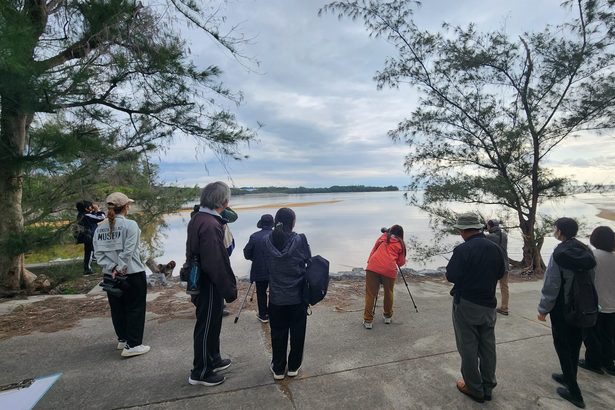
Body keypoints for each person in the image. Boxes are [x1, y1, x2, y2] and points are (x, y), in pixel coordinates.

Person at [446, 212, 506, 403]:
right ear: (479, 227)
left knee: (468, 347)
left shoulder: (463, 250)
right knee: (488, 347)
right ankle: (488, 386)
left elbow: (451, 276)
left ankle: (474, 388)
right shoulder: (494, 248)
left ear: (462, 230)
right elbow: (500, 272)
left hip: (466, 304)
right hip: (489, 303)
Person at [538, 217, 596, 409]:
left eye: (555, 229)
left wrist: (543, 309)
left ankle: (574, 393)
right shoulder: (586, 251)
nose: (554, 231)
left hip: (563, 309)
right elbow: (591, 278)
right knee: (574, 344)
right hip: (584, 307)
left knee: (562, 346)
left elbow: (552, 284)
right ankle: (568, 375)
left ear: (560, 231)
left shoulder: (559, 253)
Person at [185, 182, 237, 387]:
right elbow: (215, 261)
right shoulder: (209, 224)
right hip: (208, 281)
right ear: (223, 201)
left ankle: (213, 358)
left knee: (213, 321)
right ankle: (201, 371)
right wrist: (229, 288)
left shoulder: (200, 218)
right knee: (206, 324)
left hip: (202, 278)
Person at [93, 192, 149, 357]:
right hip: (131, 273)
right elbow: (129, 251)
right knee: (135, 308)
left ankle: (123, 339)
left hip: (109, 275)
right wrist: (120, 267)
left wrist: (112, 268)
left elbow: (98, 255)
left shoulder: (99, 228)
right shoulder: (131, 225)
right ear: (125, 207)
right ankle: (133, 345)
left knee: (117, 308)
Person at [263, 208, 311, 380]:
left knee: (277, 333)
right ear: (292, 222)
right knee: (298, 333)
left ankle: (278, 368)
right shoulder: (301, 239)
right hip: (297, 296)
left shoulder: (267, 240)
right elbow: (308, 261)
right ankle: (293, 367)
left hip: (276, 297)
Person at [580, 226, 615, 376]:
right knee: (608, 336)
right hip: (612, 304)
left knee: (591, 335)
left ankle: (593, 363)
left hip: (595, 304)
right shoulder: (613, 257)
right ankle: (609, 363)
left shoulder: (591, 257)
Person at [362, 225, 406, 329]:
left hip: (373, 267)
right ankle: (387, 316)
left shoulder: (382, 238)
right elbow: (400, 262)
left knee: (370, 294)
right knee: (388, 292)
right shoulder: (401, 244)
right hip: (389, 269)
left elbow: (373, 251)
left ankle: (368, 321)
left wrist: (370, 264)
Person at [244, 214, 274, 323]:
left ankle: (263, 315)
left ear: (261, 224)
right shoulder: (277, 235)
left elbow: (246, 253)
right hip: (275, 270)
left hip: (259, 269)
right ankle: (273, 313)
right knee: (274, 291)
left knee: (261, 292)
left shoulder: (254, 236)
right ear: (272, 224)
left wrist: (255, 258)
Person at [485, 219, 509, 315]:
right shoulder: (504, 235)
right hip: (505, 264)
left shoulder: (489, 237)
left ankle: (489, 305)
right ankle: (504, 307)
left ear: (490, 226)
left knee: (491, 286)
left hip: (494, 265)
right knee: (504, 287)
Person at [76, 200, 106, 275]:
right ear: (86, 209)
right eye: (90, 206)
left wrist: (94, 210)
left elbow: (92, 216)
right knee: (89, 252)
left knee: (89, 251)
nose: (92, 207)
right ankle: (87, 269)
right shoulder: (87, 216)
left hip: (87, 236)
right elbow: (101, 217)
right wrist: (98, 210)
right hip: (89, 236)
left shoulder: (82, 215)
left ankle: (90, 265)